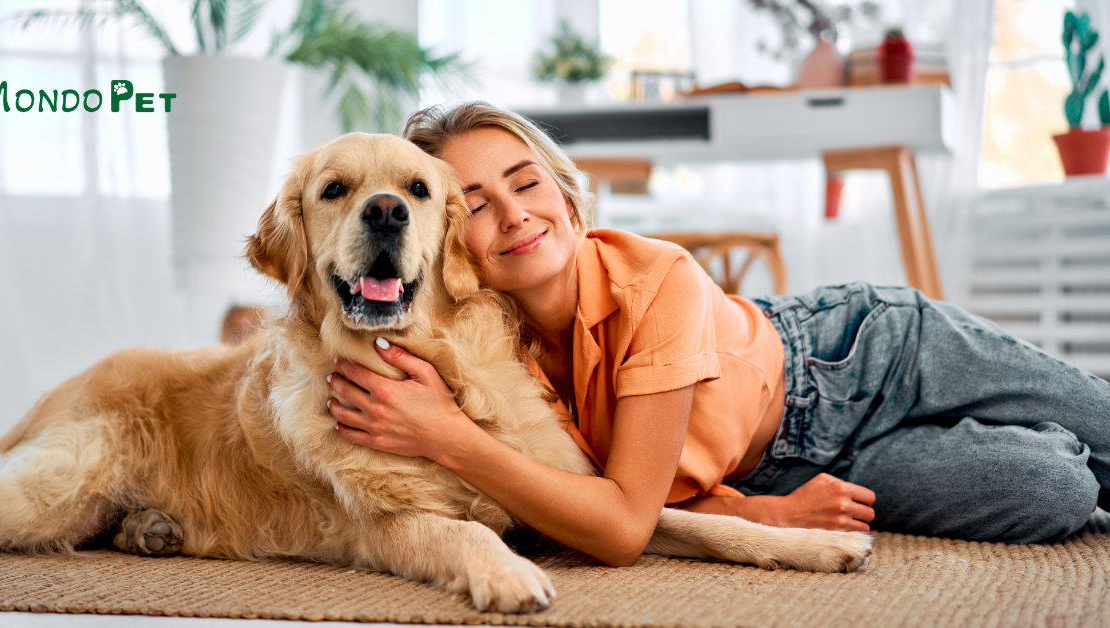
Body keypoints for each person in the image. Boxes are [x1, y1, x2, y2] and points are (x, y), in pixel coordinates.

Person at [324, 101, 1110, 566]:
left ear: (565, 197)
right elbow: (573, 512)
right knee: (1056, 489)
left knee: (1102, 424)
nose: (515, 213)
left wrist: (449, 436)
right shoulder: (483, 351)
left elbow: (623, 524)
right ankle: (1044, 438)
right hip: (779, 467)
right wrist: (759, 509)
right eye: (478, 204)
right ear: (443, 237)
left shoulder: (656, 278)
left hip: (860, 354)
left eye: (526, 184)